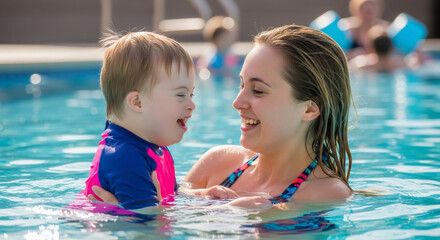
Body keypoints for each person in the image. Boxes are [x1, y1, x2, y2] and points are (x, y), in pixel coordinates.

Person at [90, 24, 356, 209]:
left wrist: (126, 219)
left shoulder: (324, 194)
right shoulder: (216, 164)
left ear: (310, 108)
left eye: (258, 90)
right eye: (241, 85)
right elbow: (168, 206)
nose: (237, 102)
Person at [81, 31, 197, 211]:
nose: (192, 104)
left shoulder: (153, 146)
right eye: (181, 95)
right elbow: (148, 227)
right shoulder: (124, 157)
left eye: (191, 94)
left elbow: (172, 194)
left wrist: (205, 196)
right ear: (138, 102)